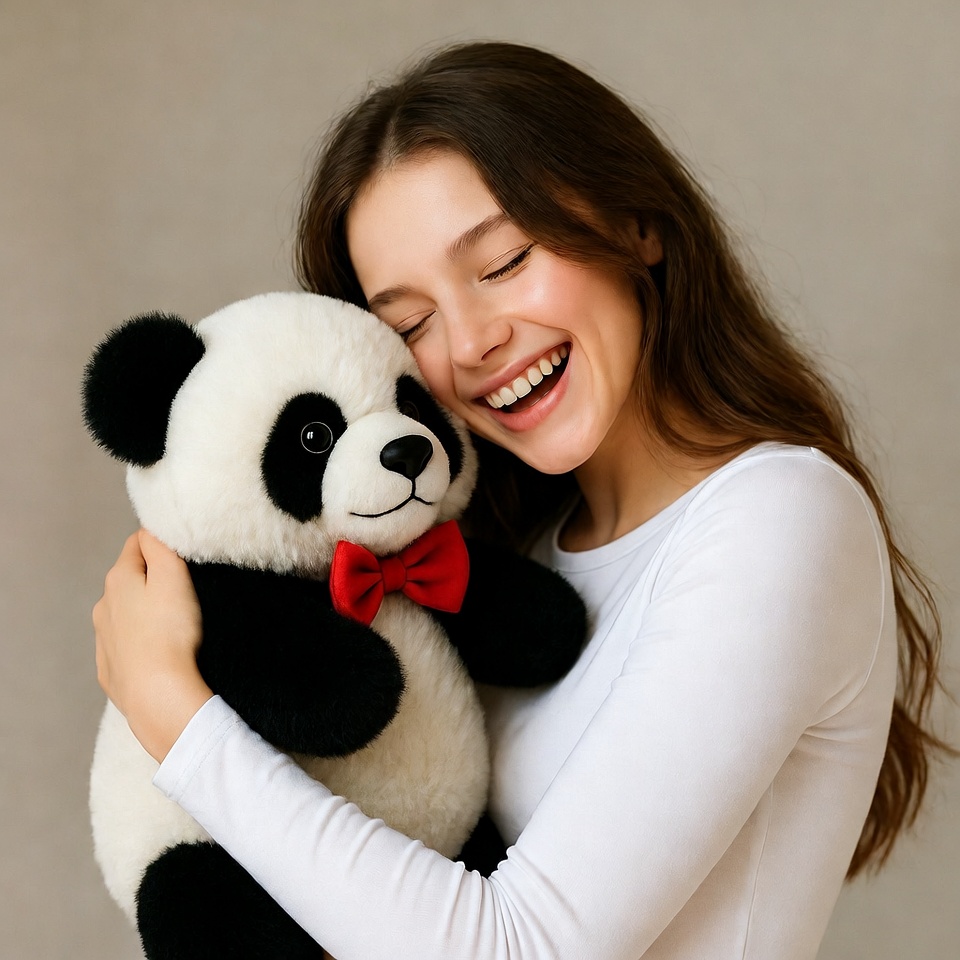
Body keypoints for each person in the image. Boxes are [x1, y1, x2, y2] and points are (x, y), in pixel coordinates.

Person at [93, 41, 951, 959]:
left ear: (636, 226)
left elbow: (518, 948)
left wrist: (176, 718)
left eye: (502, 262)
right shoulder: (519, 555)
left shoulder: (780, 519)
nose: (470, 343)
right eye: (410, 322)